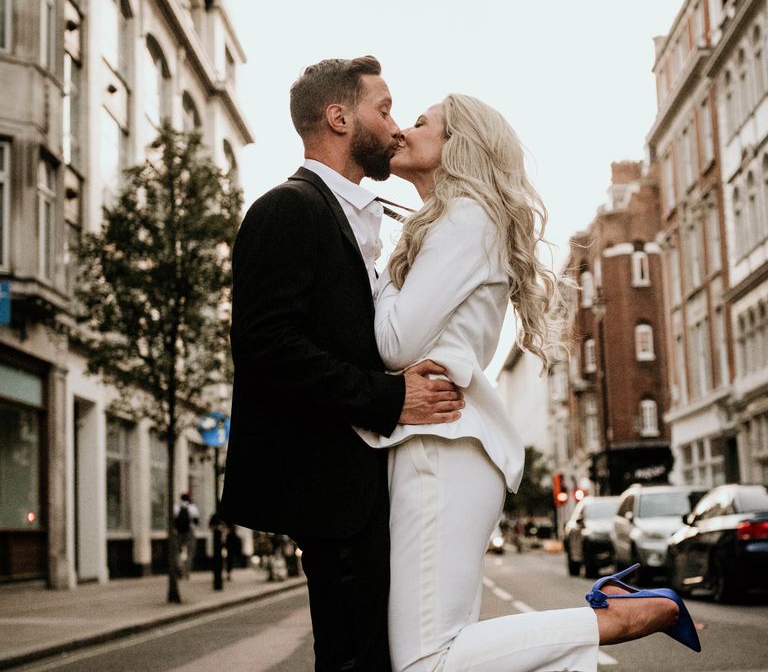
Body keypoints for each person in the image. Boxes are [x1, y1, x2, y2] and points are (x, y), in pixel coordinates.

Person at [362, 94, 700, 671]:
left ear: (458, 146)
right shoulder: (458, 222)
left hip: (442, 448)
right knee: (452, 650)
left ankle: (606, 619)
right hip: (445, 447)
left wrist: (371, 263)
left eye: (421, 123)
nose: (403, 133)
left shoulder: (468, 218)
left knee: (425, 661)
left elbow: (396, 344)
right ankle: (598, 624)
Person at [218, 56, 464, 672]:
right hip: (329, 491)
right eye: (383, 110)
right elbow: (265, 345)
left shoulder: (356, 215)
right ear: (339, 117)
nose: (394, 126)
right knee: (356, 660)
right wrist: (389, 398)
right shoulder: (286, 208)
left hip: (357, 488)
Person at [173, 492, 199, 580]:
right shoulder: (192, 508)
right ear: (188, 499)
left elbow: (173, 520)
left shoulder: (176, 507)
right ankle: (187, 572)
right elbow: (196, 521)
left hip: (178, 532)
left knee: (177, 551)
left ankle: (179, 567)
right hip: (189, 532)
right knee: (190, 552)